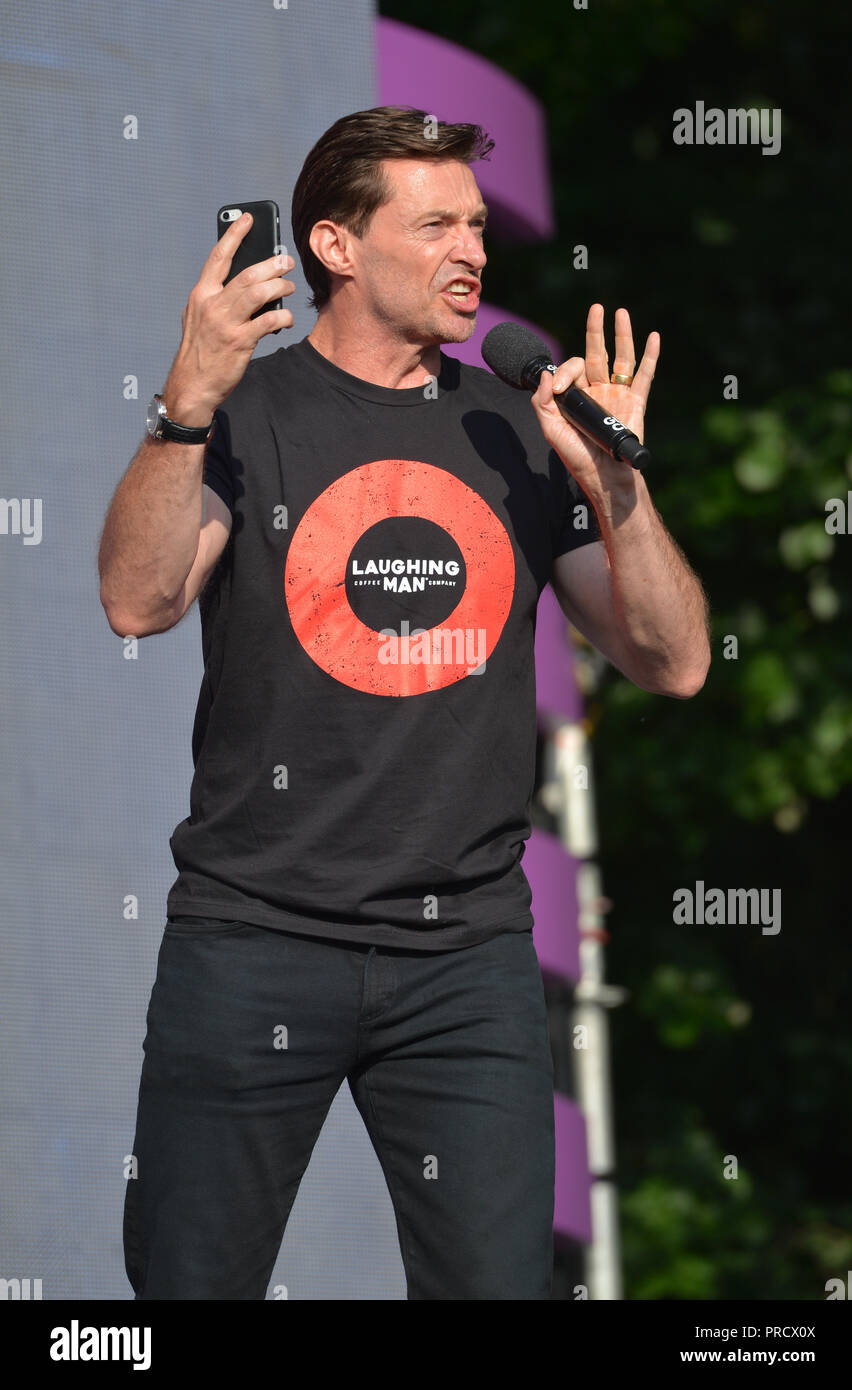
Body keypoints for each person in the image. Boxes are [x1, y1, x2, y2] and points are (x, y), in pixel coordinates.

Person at [98, 105, 710, 1301]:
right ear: (335, 244)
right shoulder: (247, 417)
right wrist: (185, 406)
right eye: (434, 226)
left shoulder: (519, 428)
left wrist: (617, 485)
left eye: (476, 225)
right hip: (254, 938)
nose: (471, 251)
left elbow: (674, 661)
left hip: (465, 961)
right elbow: (138, 598)